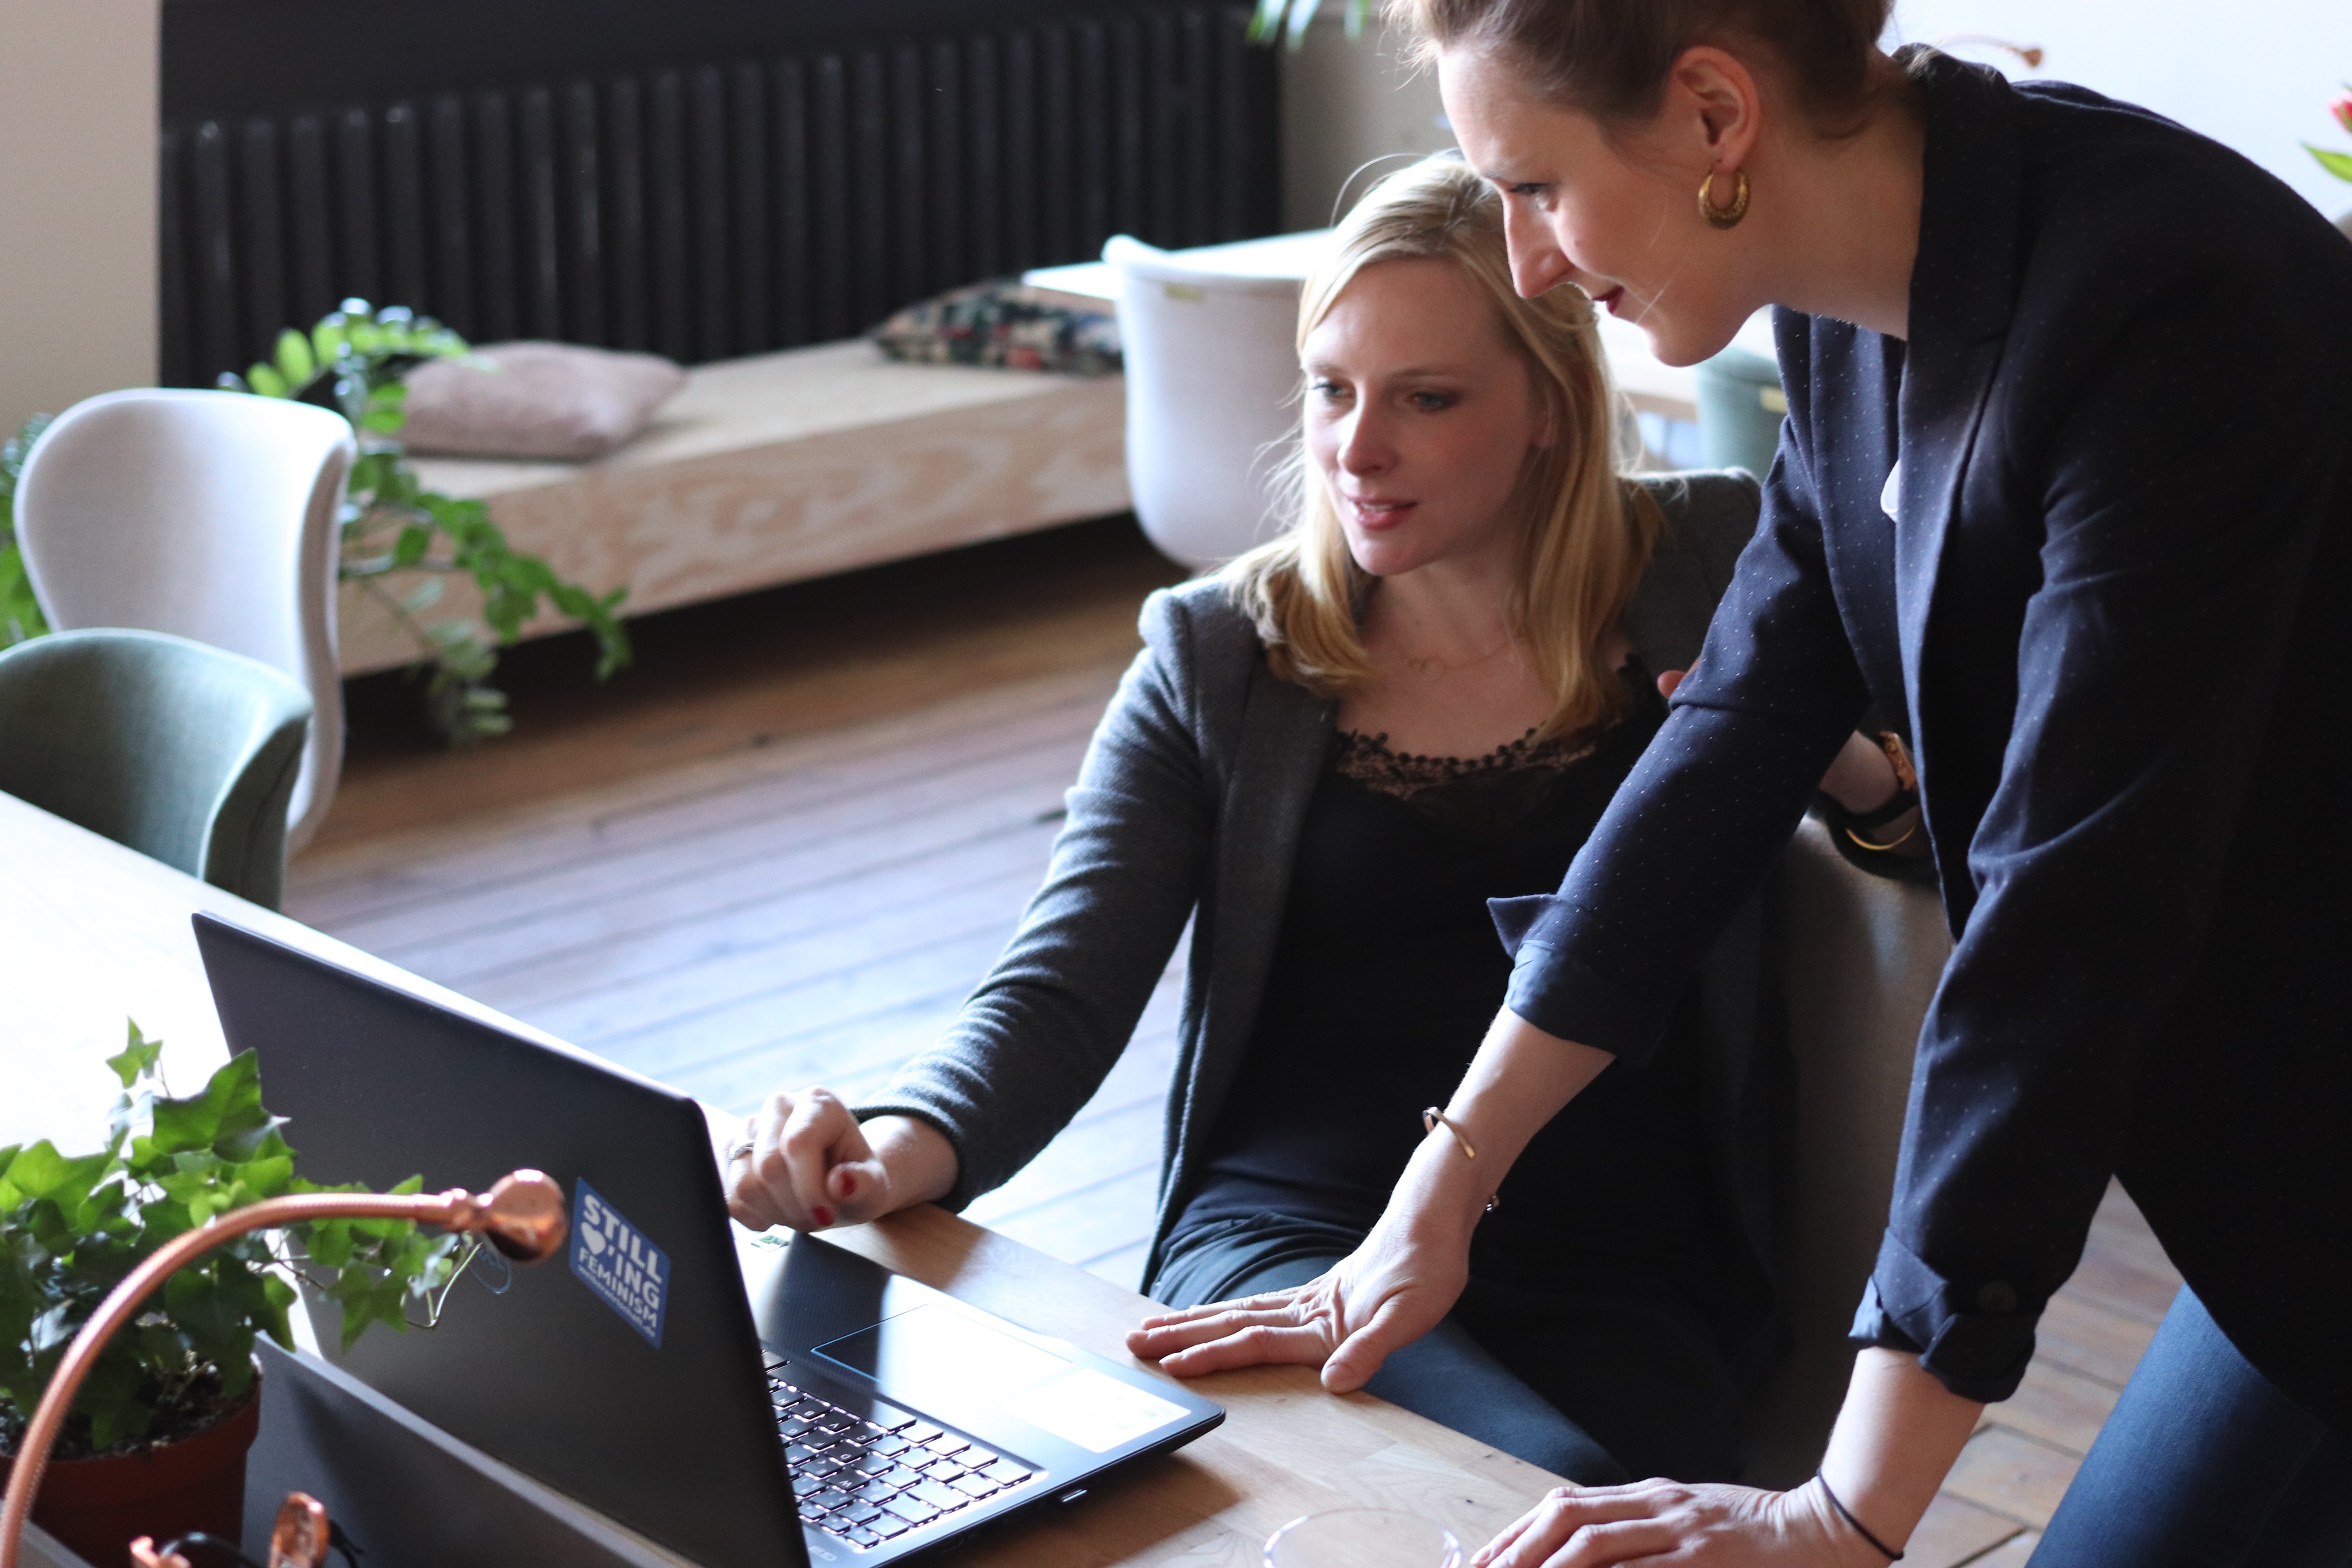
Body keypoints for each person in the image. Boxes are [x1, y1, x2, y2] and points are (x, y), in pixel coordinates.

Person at [1128, 4, 2352, 1565]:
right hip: (2282, 1181)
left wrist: (1842, 1514)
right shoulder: (1858, 311)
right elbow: (1733, 734)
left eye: (1538, 187)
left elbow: (2068, 931)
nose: (1529, 265)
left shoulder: (2168, 305)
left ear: (1716, 116)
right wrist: (1443, 1187)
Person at [724, 154, 1914, 1485]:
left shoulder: (1713, 564)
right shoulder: (1223, 652)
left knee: (1559, 1491)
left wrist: (1845, 770)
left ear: (1550, 406)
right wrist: (890, 1152)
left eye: (1427, 398)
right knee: (1515, 1489)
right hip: (1293, 1237)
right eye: (1333, 390)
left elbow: (1933, 847)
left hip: (1626, 1258)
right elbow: (1060, 986)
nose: (1358, 449)